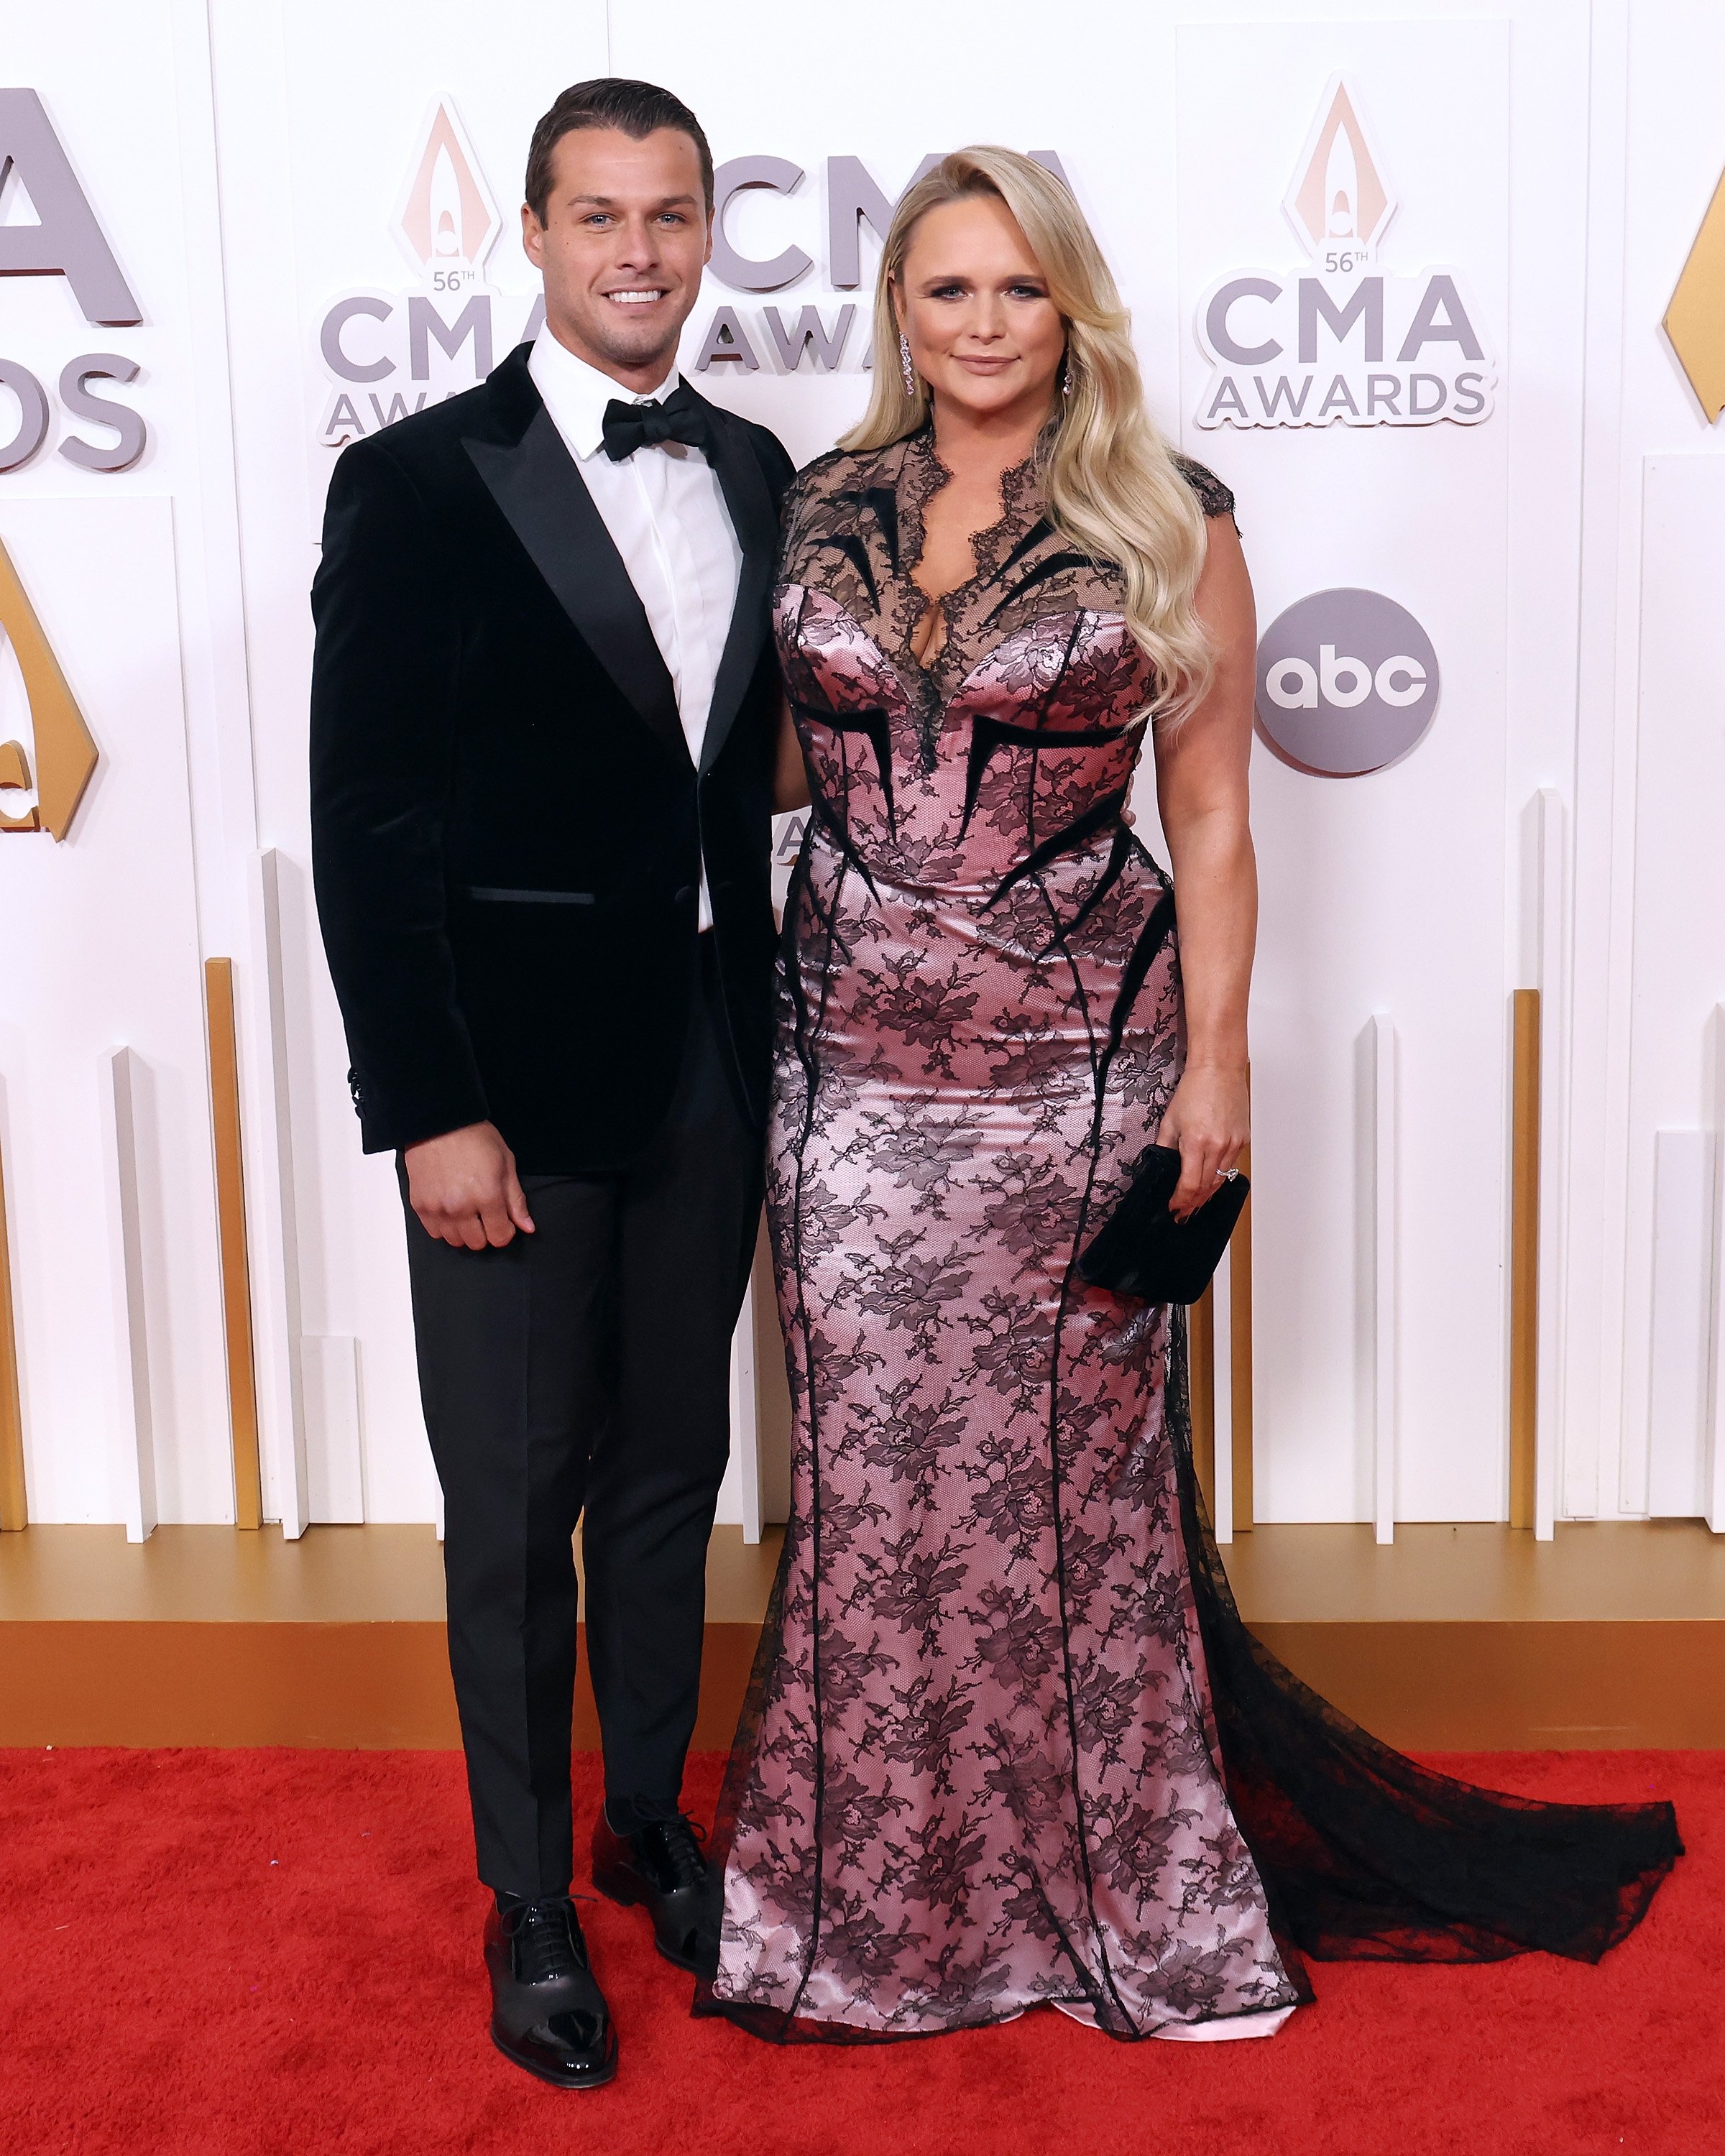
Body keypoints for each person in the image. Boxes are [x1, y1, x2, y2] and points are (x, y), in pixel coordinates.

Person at [702, 147, 1679, 2042]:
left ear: (1074, 306)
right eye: (944, 290)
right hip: (843, 1067)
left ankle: (1122, 1900)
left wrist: (1215, 1068)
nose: (980, 325)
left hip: (1077, 1068)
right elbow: (783, 769)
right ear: (898, 308)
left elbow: (1215, 811)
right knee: (874, 1485)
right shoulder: (819, 505)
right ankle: (882, 1920)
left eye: (1017, 290)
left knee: (1065, 1493)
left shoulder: (1166, 511)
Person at [310, 79, 795, 2088]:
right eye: (598, 216)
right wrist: (428, 1104)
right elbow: (369, 821)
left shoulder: (759, 465)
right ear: (529, 234)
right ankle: (525, 1904)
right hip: (499, 1096)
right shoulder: (418, 482)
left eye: (671, 215)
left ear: (707, 232)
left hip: (705, 1066)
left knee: (674, 1474)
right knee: (511, 1508)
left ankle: (645, 1821)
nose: (638, 254)